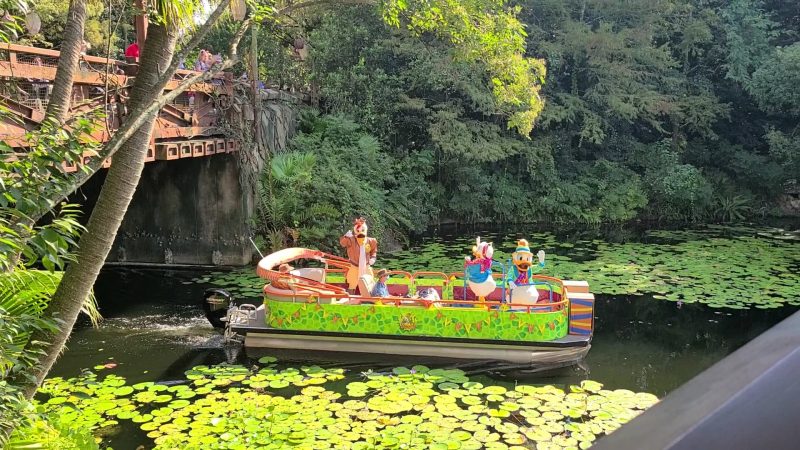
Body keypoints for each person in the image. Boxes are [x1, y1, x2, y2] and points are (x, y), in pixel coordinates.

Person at [339, 217, 378, 292]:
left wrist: (373, 258)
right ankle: (350, 296)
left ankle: (369, 297)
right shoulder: (351, 239)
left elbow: (374, 251)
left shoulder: (371, 241)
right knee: (352, 282)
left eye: (362, 230)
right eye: (358, 230)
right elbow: (342, 244)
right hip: (354, 266)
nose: (360, 232)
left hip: (366, 265)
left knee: (369, 281)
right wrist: (346, 237)